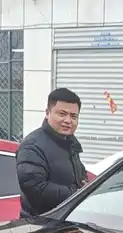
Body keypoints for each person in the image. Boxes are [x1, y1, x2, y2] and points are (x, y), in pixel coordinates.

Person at [16, 87, 88, 219]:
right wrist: (77, 194)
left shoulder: (70, 143)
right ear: (47, 113)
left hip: (66, 220)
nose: (68, 120)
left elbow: (80, 177)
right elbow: (36, 188)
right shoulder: (32, 146)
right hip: (40, 224)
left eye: (73, 116)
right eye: (62, 114)